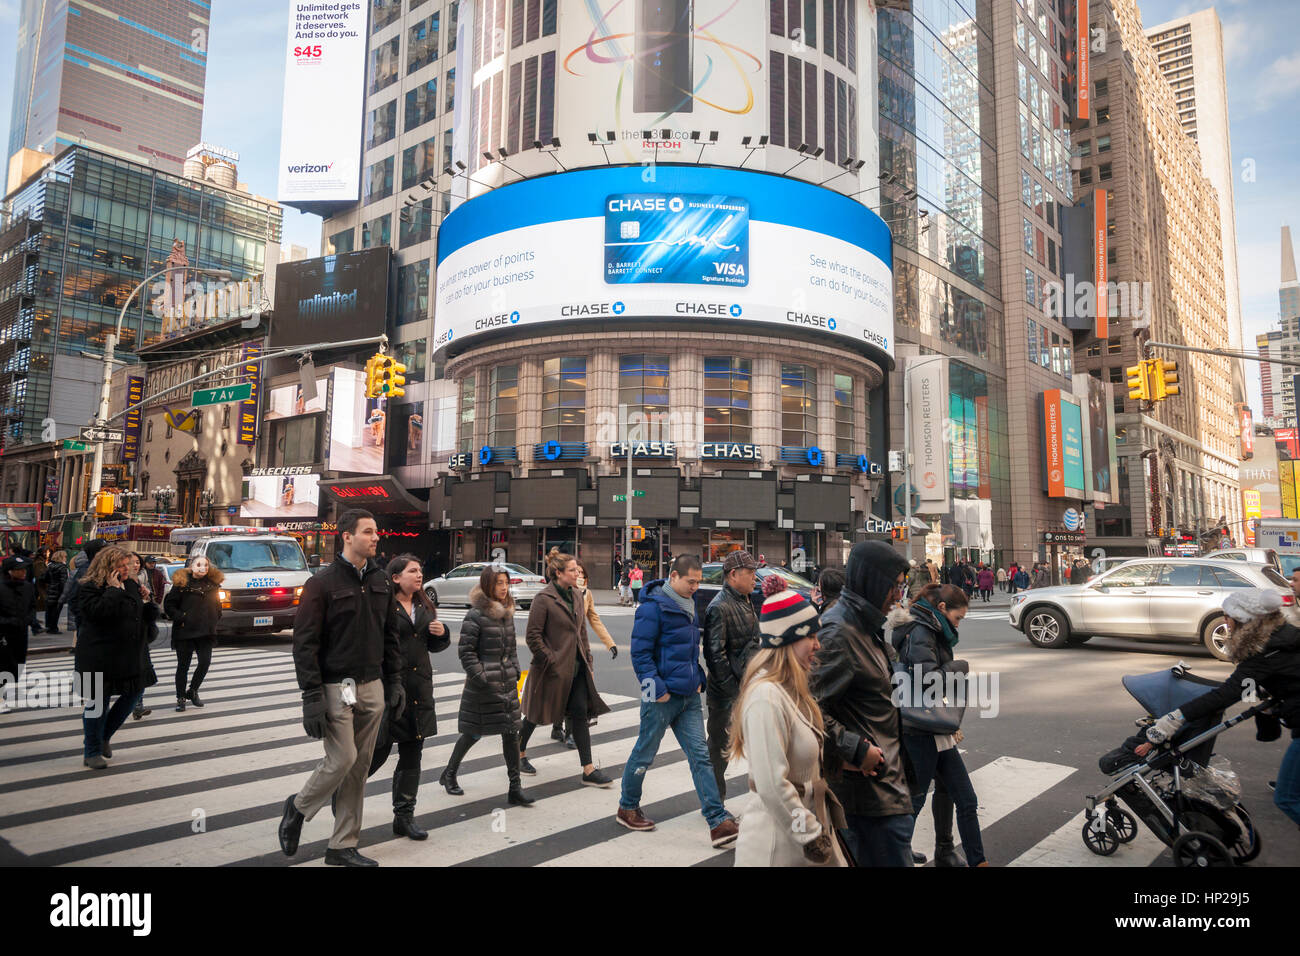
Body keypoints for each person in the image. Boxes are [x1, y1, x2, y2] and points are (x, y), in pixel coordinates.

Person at [278, 509, 405, 867]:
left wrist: (394, 682)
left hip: (372, 685)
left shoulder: (381, 581)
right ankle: (299, 807)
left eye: (376, 531)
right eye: (368, 532)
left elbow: (389, 636)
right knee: (343, 758)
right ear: (347, 536)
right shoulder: (322, 583)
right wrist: (311, 697)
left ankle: (342, 846)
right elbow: (305, 644)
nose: (375, 537)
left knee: (359, 766)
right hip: (338, 686)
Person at [1146, 588, 1300, 828]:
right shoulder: (1285, 635)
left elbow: (1227, 694)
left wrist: (1177, 716)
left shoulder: (1263, 653)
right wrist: (1261, 701)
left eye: (1227, 616)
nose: (1224, 621)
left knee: (1287, 798)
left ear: (1242, 619)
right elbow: (1255, 685)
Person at [617, 554, 739, 847]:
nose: (696, 586)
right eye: (691, 581)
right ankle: (627, 806)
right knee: (645, 752)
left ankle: (717, 820)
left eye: (699, 581)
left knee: (700, 756)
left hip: (688, 696)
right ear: (673, 577)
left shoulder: (689, 605)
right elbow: (640, 654)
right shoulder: (652, 608)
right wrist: (657, 689)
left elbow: (688, 649)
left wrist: (698, 677)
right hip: (659, 696)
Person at [810, 540, 915, 866]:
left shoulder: (865, 625)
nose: (898, 596)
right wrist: (856, 749)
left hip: (885, 790)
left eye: (902, 586)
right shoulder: (839, 632)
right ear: (873, 581)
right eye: (894, 586)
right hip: (865, 800)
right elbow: (808, 710)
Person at [731, 579, 846, 867]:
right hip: (777, 848)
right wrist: (809, 836)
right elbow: (771, 785)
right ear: (788, 640)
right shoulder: (766, 696)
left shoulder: (790, 689)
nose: (818, 645)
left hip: (801, 837)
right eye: (811, 637)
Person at [892, 583, 987, 866]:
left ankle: (972, 860)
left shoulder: (930, 627)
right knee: (917, 797)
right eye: (958, 618)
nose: (958, 624)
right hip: (919, 727)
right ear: (942, 608)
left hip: (933, 721)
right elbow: (926, 679)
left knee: (964, 798)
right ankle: (897, 853)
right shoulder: (920, 630)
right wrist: (959, 669)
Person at [365, 554, 449, 839]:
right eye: (412, 570)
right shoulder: (383, 605)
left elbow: (430, 644)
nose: (419, 574)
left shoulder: (424, 604)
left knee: (413, 755)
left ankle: (404, 816)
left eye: (420, 570)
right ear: (396, 577)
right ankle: (344, 793)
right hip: (390, 688)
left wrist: (441, 633)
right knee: (376, 752)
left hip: (419, 688)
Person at [518, 548, 613, 786]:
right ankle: (518, 753)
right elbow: (533, 636)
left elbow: (582, 632)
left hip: (577, 667)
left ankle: (588, 769)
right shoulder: (544, 599)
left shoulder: (578, 595)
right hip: (550, 670)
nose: (577, 574)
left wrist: (588, 661)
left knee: (580, 714)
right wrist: (550, 659)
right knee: (535, 714)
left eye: (578, 570)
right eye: (572, 570)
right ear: (559, 573)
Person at [440, 565, 533, 805]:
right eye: (499, 583)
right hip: (482, 687)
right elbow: (466, 652)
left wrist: (514, 671)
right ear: (487, 585)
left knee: (512, 733)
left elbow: (511, 649)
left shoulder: (507, 613)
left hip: (507, 684)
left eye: (506, 583)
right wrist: (481, 676)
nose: (503, 588)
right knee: (473, 732)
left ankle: (515, 787)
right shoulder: (475, 615)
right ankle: (449, 773)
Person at [73, 546, 158, 768]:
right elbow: (96, 614)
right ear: (107, 566)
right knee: (97, 704)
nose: (126, 569)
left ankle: (104, 737)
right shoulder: (89, 587)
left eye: (127, 565)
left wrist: (148, 601)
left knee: (134, 693)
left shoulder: (131, 584)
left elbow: (143, 618)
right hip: (98, 656)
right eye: (121, 565)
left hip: (129, 655)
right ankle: (91, 751)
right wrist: (113, 591)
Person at [702, 549, 761, 801]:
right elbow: (715, 657)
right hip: (727, 693)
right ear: (734, 574)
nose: (754, 579)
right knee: (719, 746)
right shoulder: (720, 606)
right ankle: (714, 800)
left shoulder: (744, 600)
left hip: (746, 686)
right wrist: (734, 692)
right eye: (750, 573)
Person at [551, 561, 617, 747]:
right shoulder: (561, 594)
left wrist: (609, 643)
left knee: (575, 693)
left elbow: (594, 619)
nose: (579, 576)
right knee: (559, 692)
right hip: (560, 649)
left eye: (582, 574)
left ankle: (570, 733)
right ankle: (556, 727)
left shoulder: (586, 595)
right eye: (576, 572)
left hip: (580, 649)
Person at [164, 555, 223, 713]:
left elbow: (218, 605)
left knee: (205, 662)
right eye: (199, 564)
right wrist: (182, 617)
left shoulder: (213, 584)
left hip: (206, 631)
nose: (203, 568)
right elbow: (169, 605)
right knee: (183, 666)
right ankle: (180, 698)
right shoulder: (181, 583)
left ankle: (193, 690)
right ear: (191, 566)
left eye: (206, 565)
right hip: (185, 631)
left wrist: (215, 617)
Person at [0, 554, 38, 692]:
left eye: (24, 569)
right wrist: (8, 621)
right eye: (19, 570)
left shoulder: (27, 587)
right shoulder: (2, 588)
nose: (23, 572)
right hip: (3, 634)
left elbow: (32, 606)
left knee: (17, 665)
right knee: (4, 665)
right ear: (9, 571)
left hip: (21, 633)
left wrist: (29, 619)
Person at [39, 550, 69, 634]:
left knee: (49, 610)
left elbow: (44, 578)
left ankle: (48, 627)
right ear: (61, 557)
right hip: (58, 592)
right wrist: (65, 593)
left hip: (50, 590)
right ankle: (53, 628)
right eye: (65, 556)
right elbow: (64, 582)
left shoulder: (50, 566)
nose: (66, 558)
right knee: (56, 611)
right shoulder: (63, 568)